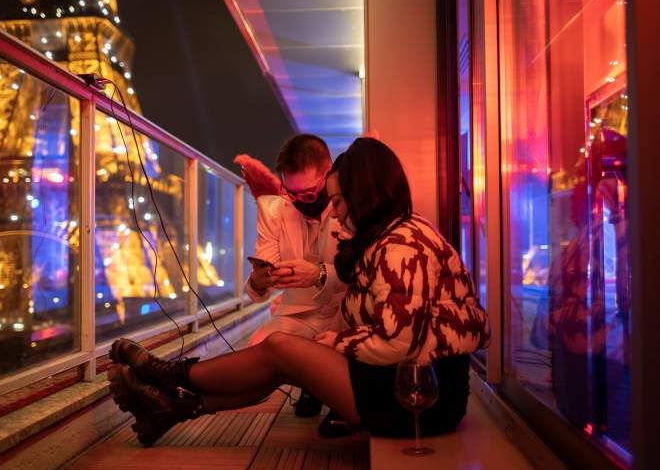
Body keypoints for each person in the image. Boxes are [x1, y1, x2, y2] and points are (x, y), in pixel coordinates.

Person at [107, 137, 491, 447]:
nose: (334, 212)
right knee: (278, 353)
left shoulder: (401, 246)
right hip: (400, 379)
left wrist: (337, 343)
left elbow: (400, 343)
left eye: (338, 200)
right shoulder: (387, 237)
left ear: (365, 194)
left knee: (281, 350)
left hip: (419, 396)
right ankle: (171, 405)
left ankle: (169, 377)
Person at [238, 134, 347, 424]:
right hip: (301, 313)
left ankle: (339, 395)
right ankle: (313, 383)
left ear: (329, 175)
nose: (300, 202)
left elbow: (364, 271)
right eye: (292, 193)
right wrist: (260, 281)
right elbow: (261, 282)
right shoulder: (273, 210)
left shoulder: (349, 207)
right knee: (258, 349)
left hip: (348, 312)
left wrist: (319, 274)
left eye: (309, 195)